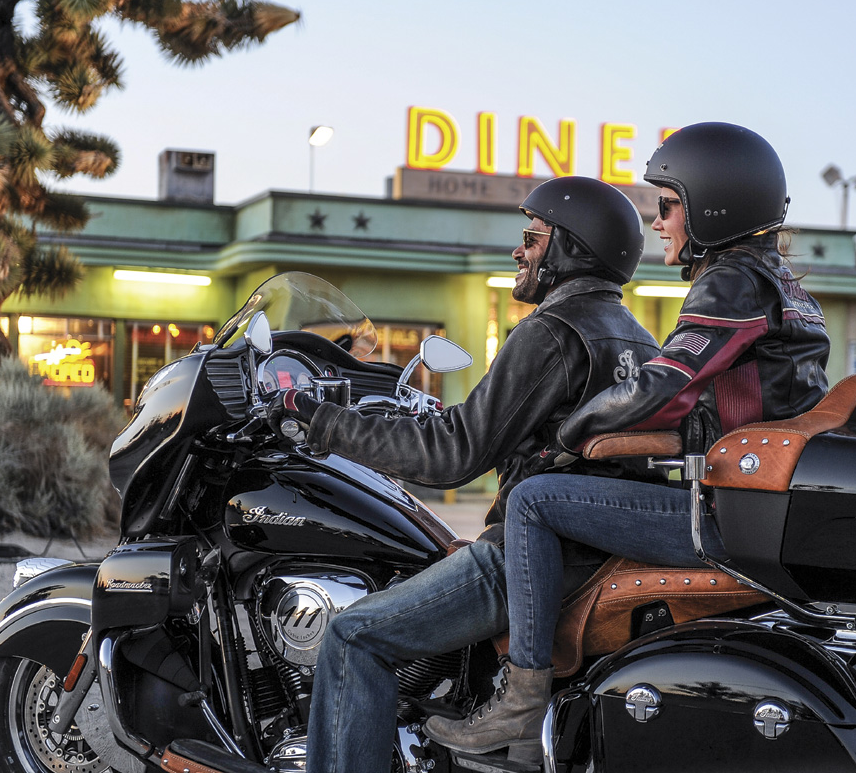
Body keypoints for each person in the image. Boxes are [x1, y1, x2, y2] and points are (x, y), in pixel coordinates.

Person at [423, 122, 831, 757]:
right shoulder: (786, 287)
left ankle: (522, 702)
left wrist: (571, 434)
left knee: (533, 501)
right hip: (764, 508)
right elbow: (708, 410)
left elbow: (665, 384)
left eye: (668, 205)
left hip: (729, 519)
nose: (659, 222)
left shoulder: (733, 280)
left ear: (713, 207)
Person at [272, 176, 661, 773]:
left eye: (533, 238)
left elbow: (454, 451)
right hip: (597, 551)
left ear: (569, 249)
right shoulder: (639, 338)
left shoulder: (551, 333)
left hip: (534, 557)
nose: (519, 251)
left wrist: (322, 422)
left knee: (353, 637)